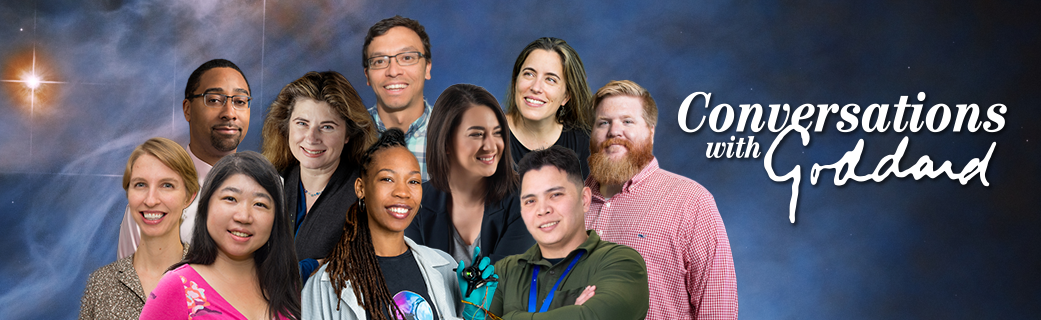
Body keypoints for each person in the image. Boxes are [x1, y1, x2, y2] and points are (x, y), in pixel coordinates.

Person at [584, 80, 738, 319]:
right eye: (603, 122)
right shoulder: (565, 203)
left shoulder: (691, 201)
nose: (614, 131)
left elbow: (717, 309)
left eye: (627, 121)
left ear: (651, 132)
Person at [302, 129, 461, 320]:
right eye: (387, 179)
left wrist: (473, 311)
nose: (403, 192)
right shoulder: (324, 284)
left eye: (413, 181)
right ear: (361, 188)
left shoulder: (445, 268)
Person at [474, 145, 649, 319]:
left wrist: (510, 316)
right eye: (530, 201)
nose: (542, 210)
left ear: (584, 199)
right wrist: (571, 312)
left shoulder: (621, 262)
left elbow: (591, 316)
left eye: (555, 195)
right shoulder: (504, 271)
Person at [139, 151, 300, 320]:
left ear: (276, 218)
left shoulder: (286, 288)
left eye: (260, 204)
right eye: (230, 198)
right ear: (206, 206)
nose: (243, 216)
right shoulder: (177, 286)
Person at [117, 58, 253, 259]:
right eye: (214, 100)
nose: (229, 113)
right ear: (187, 109)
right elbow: (129, 286)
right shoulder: (151, 201)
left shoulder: (272, 190)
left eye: (240, 102)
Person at [261, 71, 377, 283]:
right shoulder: (266, 184)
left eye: (327, 127)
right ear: (286, 127)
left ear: (348, 134)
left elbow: (376, 266)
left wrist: (313, 268)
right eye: (302, 123)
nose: (312, 137)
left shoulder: (370, 194)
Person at [406, 84, 534, 266]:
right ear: (446, 143)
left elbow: (503, 284)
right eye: (477, 134)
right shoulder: (416, 202)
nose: (490, 146)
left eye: (497, 133)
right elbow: (412, 281)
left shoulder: (527, 199)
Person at [79, 137, 199, 320]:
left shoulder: (211, 279)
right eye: (140, 185)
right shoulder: (100, 284)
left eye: (167, 185)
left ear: (189, 196)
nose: (151, 200)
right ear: (129, 193)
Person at [505, 37, 593, 178]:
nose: (536, 87)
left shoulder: (586, 145)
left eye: (550, 79)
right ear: (516, 81)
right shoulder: (482, 137)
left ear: (566, 96)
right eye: (529, 74)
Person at [362, 15, 434, 180]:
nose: (393, 71)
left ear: (427, 68)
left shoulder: (457, 136)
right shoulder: (346, 139)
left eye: (407, 58)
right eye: (379, 61)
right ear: (367, 75)